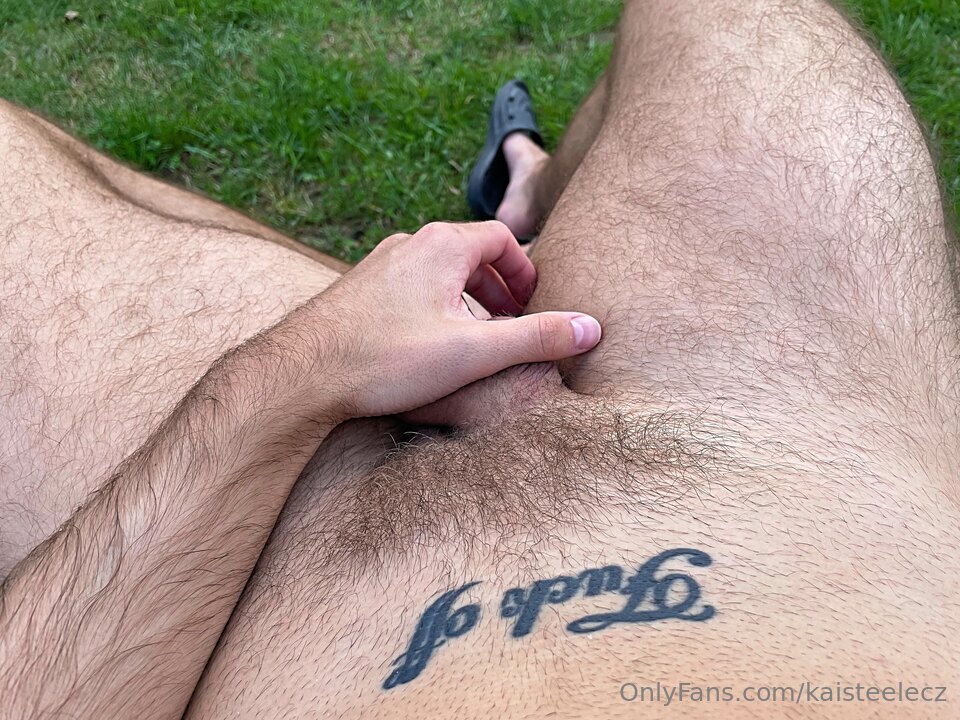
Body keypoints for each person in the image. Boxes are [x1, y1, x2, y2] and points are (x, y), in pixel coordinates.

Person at [1, 0, 958, 717]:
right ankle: (530, 193)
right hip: (794, 430)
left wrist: (297, 364)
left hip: (244, 557)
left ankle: (491, 221)